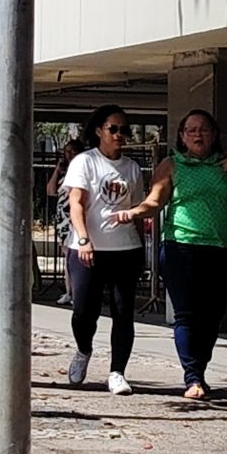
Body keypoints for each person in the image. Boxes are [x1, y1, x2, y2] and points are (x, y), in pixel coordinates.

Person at [108, 109, 227, 400]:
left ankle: (198, 369)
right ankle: (193, 377)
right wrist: (132, 213)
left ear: (214, 135)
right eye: (190, 130)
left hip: (222, 248)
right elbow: (155, 201)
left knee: (212, 316)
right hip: (182, 248)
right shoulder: (172, 164)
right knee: (187, 315)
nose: (197, 135)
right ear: (182, 136)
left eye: (203, 130)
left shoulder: (226, 164)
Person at [62, 105, 147, 394]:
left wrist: (141, 247)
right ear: (99, 130)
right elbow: (76, 203)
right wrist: (84, 239)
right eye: (114, 128)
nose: (120, 134)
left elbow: (137, 209)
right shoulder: (85, 162)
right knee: (84, 311)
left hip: (125, 249)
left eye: (125, 129)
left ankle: (117, 372)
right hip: (89, 249)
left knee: (124, 312)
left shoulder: (132, 168)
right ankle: (83, 349)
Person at [45, 136, 82, 305]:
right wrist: (57, 170)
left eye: (72, 151)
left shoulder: (80, 171)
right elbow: (51, 191)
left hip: (73, 217)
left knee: (74, 257)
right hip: (63, 220)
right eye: (66, 152)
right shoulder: (64, 173)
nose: (69, 155)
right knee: (67, 257)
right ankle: (69, 291)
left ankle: (76, 292)